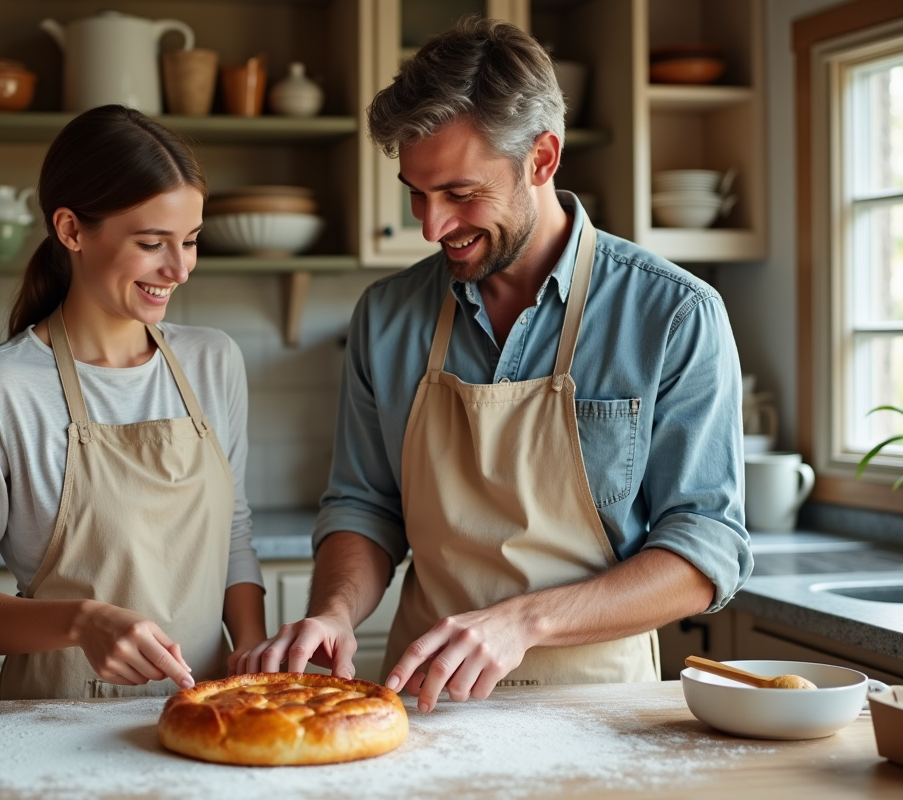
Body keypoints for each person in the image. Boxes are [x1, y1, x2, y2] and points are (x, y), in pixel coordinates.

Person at [237, 18, 750, 711]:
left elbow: (705, 549)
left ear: (542, 159)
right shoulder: (387, 316)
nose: (431, 226)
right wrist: (334, 611)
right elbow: (364, 506)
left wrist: (523, 623)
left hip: (599, 712)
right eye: (416, 193)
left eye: (459, 193)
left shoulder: (674, 314)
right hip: (427, 705)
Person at [0, 105, 266, 699]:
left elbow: (232, 532)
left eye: (190, 241)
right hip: (55, 723)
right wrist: (81, 621)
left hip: (207, 709)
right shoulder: (0, 388)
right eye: (152, 243)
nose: (179, 269)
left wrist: (251, 648)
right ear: (71, 230)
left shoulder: (213, 360)